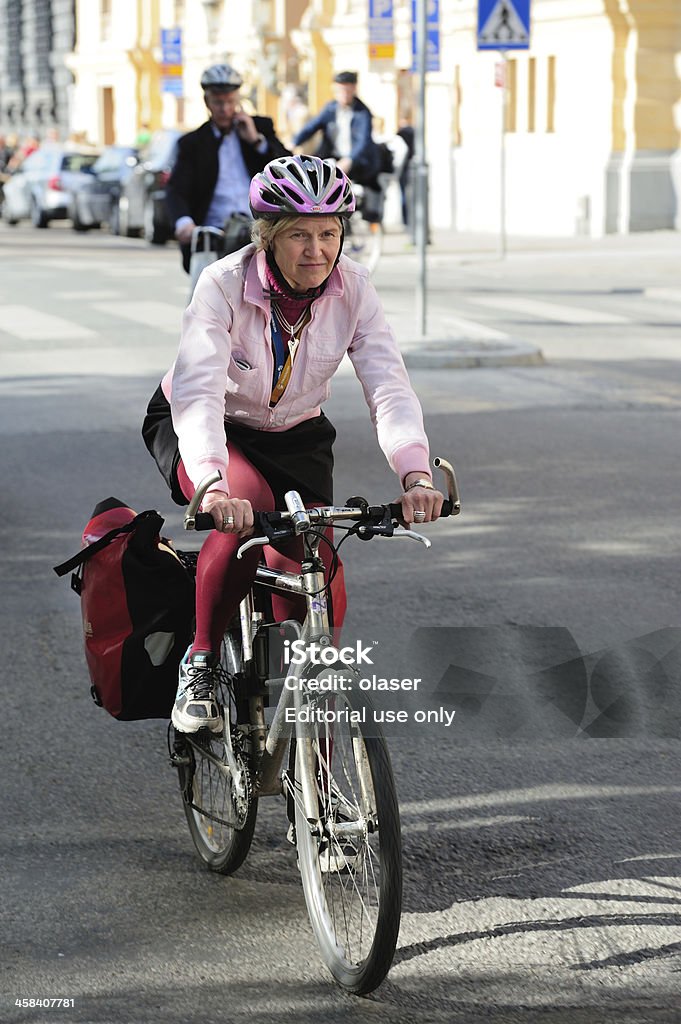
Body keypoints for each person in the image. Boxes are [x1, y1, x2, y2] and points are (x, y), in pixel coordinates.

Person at [143, 154, 443, 734]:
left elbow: (388, 385)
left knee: (315, 570)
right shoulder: (223, 284)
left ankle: (315, 746)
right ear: (268, 238)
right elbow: (200, 390)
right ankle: (201, 660)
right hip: (208, 425)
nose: (317, 250)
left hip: (295, 433)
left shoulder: (354, 288)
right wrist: (211, 483)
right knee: (249, 521)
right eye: (299, 235)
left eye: (328, 234)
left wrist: (415, 473)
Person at [165, 63, 289, 273]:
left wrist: (256, 140)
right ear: (207, 102)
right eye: (218, 102)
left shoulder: (260, 128)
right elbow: (176, 189)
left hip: (258, 230)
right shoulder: (192, 143)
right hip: (214, 235)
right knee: (207, 297)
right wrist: (184, 223)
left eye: (230, 101)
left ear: (238, 100)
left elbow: (286, 169)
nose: (224, 109)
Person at [292, 71, 381, 190]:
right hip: (333, 159)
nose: (343, 94)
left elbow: (363, 141)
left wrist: (349, 160)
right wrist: (294, 142)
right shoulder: (330, 109)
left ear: (354, 89)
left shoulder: (363, 113)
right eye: (340, 91)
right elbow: (311, 127)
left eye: (347, 91)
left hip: (356, 164)